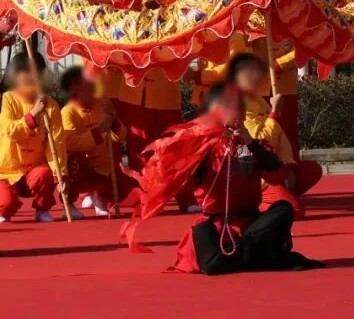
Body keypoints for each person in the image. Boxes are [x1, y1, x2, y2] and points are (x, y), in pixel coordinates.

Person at [122, 81, 323, 275]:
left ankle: (237, 257)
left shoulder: (256, 146)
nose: (234, 115)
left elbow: (278, 175)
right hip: (216, 225)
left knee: (284, 209)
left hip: (250, 224)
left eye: (238, 110)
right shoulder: (203, 145)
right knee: (208, 255)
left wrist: (250, 143)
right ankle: (254, 258)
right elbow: (183, 180)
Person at [227, 53, 322, 218]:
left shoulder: (256, 97)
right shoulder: (241, 102)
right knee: (295, 211)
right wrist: (275, 112)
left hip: (275, 166)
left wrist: (288, 167)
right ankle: (258, 202)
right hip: (260, 174)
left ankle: (282, 194)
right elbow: (261, 141)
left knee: (312, 170)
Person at [0, 52, 69, 223]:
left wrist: (60, 174)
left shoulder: (51, 106)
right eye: (26, 73)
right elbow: (10, 131)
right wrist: (33, 114)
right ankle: (2, 204)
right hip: (6, 171)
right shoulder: (6, 100)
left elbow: (56, 142)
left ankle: (42, 209)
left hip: (34, 171)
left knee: (45, 174)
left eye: (36, 73)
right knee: (5, 208)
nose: (31, 78)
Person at [117, 67, 198, 212]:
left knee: (175, 147)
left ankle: (185, 197)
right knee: (139, 151)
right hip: (134, 92)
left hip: (165, 93)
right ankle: (144, 198)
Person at [59, 66, 136, 216]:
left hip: (102, 167)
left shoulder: (101, 106)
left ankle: (100, 196)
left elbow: (119, 136)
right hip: (81, 167)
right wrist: (99, 130)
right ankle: (69, 204)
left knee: (127, 189)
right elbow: (72, 143)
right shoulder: (67, 112)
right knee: (71, 160)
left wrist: (113, 121)